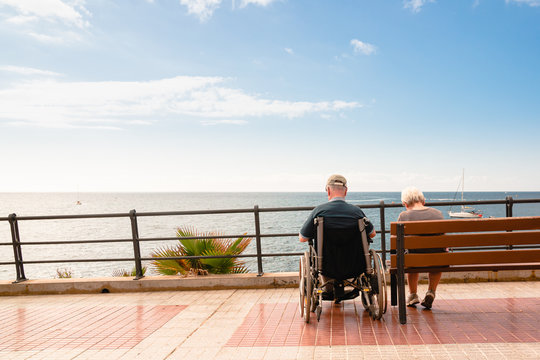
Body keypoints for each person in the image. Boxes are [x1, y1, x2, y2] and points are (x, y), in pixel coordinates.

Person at [299, 174, 376, 299]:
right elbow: (372, 234)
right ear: (346, 191)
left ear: (328, 190)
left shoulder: (319, 211)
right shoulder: (357, 212)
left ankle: (328, 289)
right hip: (354, 265)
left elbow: (302, 238)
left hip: (325, 265)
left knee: (319, 257)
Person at [397, 186, 444, 309]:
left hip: (414, 259)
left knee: (410, 257)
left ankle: (413, 295)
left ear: (405, 204)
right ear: (423, 201)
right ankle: (431, 292)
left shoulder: (404, 216)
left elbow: (397, 240)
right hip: (438, 258)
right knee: (437, 256)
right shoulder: (438, 213)